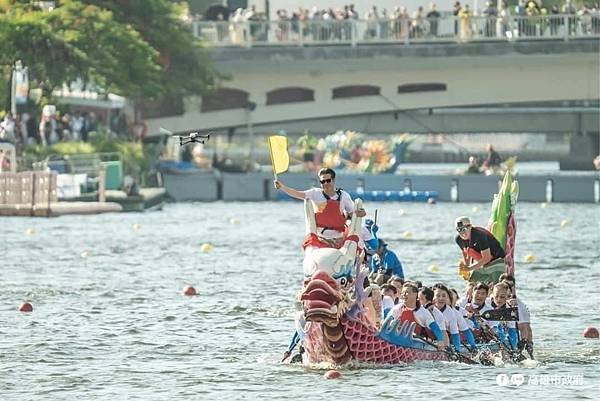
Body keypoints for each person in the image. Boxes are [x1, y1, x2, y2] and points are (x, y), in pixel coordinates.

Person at [274, 168, 366, 245]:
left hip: (338, 239)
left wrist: (362, 213)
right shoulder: (315, 193)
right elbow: (297, 194)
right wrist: (282, 187)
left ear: (333, 181)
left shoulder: (344, 196)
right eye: (322, 181)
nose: (325, 183)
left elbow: (353, 213)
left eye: (328, 180)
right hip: (320, 239)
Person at [390, 283, 446, 349]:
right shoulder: (397, 308)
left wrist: (440, 340)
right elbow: (388, 322)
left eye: (407, 292)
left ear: (415, 294)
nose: (404, 295)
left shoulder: (423, 312)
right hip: (398, 339)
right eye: (402, 293)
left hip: (418, 342)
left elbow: (434, 327)